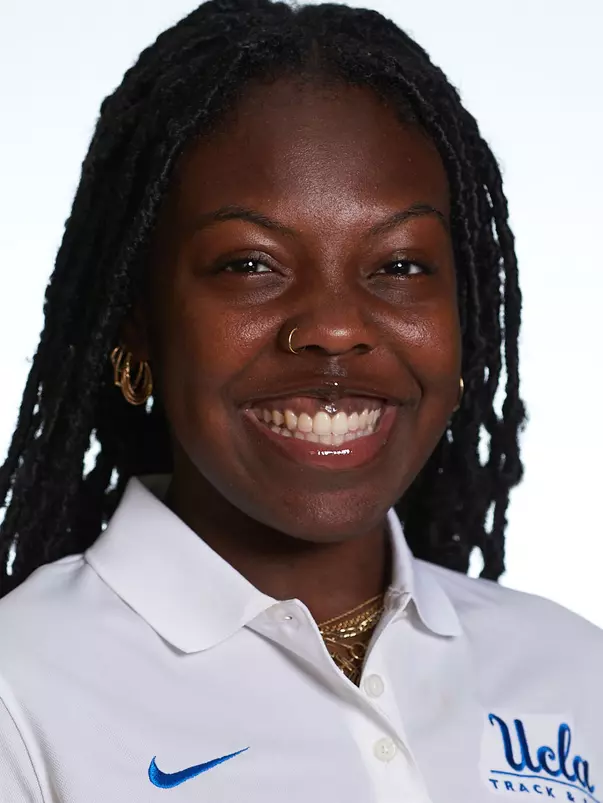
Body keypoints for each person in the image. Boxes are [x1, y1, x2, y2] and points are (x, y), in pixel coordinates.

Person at [0, 0, 601, 800]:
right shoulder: (22, 691)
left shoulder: (571, 672)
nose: (334, 328)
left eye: (398, 265)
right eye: (251, 264)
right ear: (136, 331)